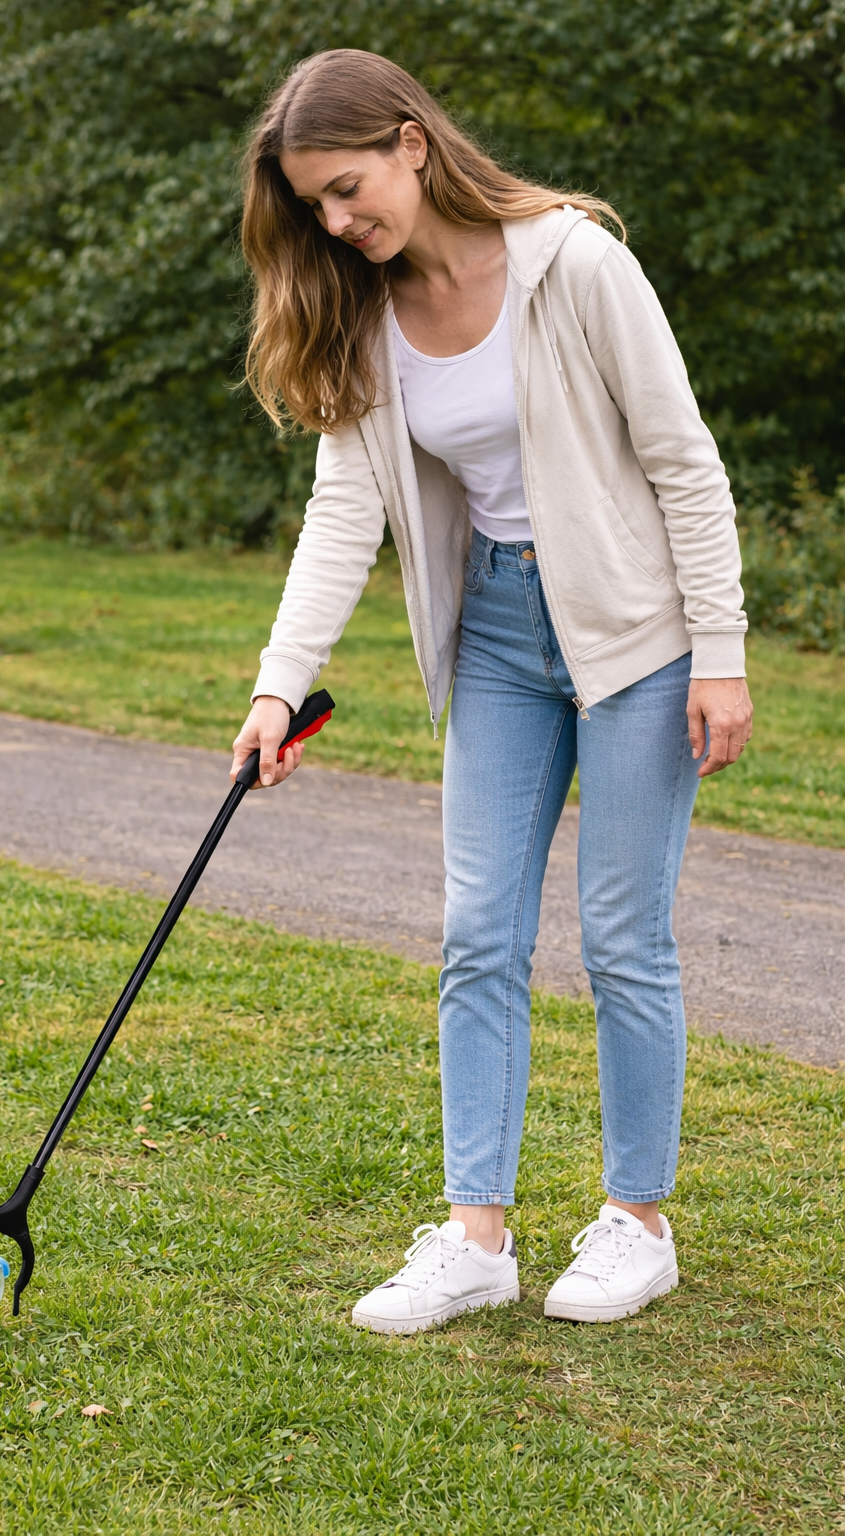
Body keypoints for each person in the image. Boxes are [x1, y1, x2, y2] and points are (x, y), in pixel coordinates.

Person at [231, 49, 752, 1330]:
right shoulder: (363, 313)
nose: (339, 225)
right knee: (478, 937)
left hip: (635, 635)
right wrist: (276, 689)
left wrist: (724, 650)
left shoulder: (572, 265)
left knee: (624, 939)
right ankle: (478, 1236)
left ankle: (637, 1222)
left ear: (412, 142)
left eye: (348, 190)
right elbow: (343, 509)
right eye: (316, 211)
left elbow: (683, 459)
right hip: (502, 640)